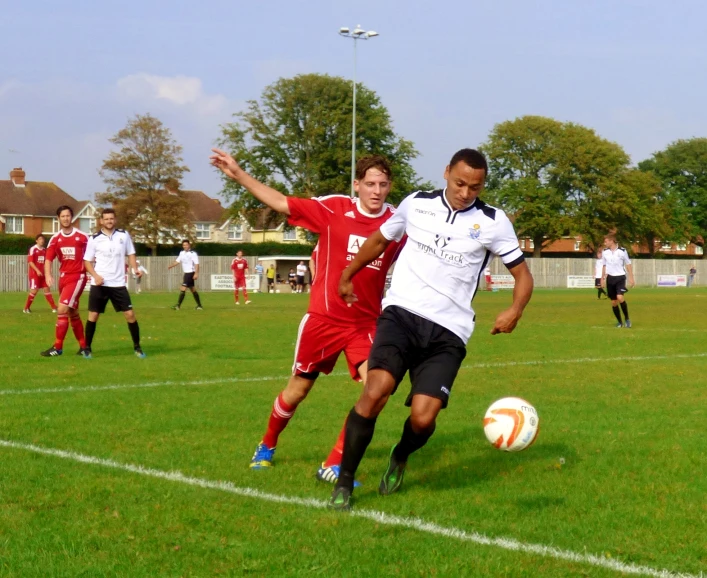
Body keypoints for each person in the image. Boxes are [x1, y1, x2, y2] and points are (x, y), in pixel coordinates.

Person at [329, 148, 534, 511]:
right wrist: (348, 274)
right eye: (459, 183)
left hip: (448, 332)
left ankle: (402, 454)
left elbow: (522, 274)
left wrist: (515, 310)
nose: (466, 192)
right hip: (401, 315)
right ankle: (344, 483)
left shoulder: (493, 221)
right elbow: (380, 240)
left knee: (423, 419)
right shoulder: (416, 204)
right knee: (376, 391)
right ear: (445, 173)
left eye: (475, 186)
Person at [210, 147, 404, 484]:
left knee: (380, 388)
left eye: (383, 184)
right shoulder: (333, 209)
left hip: (365, 325)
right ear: (356, 185)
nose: (376, 191)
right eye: (370, 184)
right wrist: (239, 175)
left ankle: (334, 464)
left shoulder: (398, 222)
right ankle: (267, 444)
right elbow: (283, 203)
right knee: (297, 391)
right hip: (323, 321)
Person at [82, 208, 146, 359]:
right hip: (100, 284)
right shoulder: (94, 238)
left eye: (111, 218)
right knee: (93, 315)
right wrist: (95, 276)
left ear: (115, 220)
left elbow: (130, 254)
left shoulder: (124, 235)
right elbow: (87, 261)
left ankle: (137, 347)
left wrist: (134, 269)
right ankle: (87, 348)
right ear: (101, 221)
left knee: (130, 314)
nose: (109, 221)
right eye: (106, 219)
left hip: (118, 284)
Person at [40, 205, 90, 357]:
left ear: (72, 217)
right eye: (63, 216)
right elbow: (48, 259)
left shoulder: (82, 237)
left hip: (78, 276)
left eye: (68, 216)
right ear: (58, 219)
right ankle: (83, 347)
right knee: (72, 312)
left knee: (61, 309)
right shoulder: (55, 239)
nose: (66, 219)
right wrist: (48, 275)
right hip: (63, 278)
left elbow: (93, 255)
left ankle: (58, 347)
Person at [601, 234, 634, 328]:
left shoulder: (622, 251)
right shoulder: (605, 252)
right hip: (610, 278)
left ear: (612, 241)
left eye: (606, 241)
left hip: (620, 277)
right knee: (614, 302)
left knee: (620, 297)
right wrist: (602, 278)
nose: (605, 243)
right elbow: (604, 265)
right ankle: (620, 322)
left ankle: (627, 319)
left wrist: (631, 277)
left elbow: (628, 264)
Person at [24, 234, 58, 313]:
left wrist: (48, 272)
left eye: (42, 239)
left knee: (47, 289)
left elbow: (47, 262)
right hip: (34, 274)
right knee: (34, 291)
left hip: (43, 274)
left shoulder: (44, 250)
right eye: (40, 239)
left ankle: (54, 307)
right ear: (36, 240)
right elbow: (30, 262)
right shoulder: (33, 249)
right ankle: (26, 308)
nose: (42, 240)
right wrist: (37, 270)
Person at [168, 240, 203, 310]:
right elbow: (177, 261)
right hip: (186, 273)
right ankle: (199, 306)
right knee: (192, 289)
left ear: (189, 245)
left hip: (190, 273)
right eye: (184, 245)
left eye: (186, 245)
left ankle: (178, 306)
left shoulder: (193, 253)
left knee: (183, 288)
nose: (185, 246)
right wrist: (171, 266)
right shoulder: (181, 253)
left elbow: (197, 264)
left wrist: (196, 273)